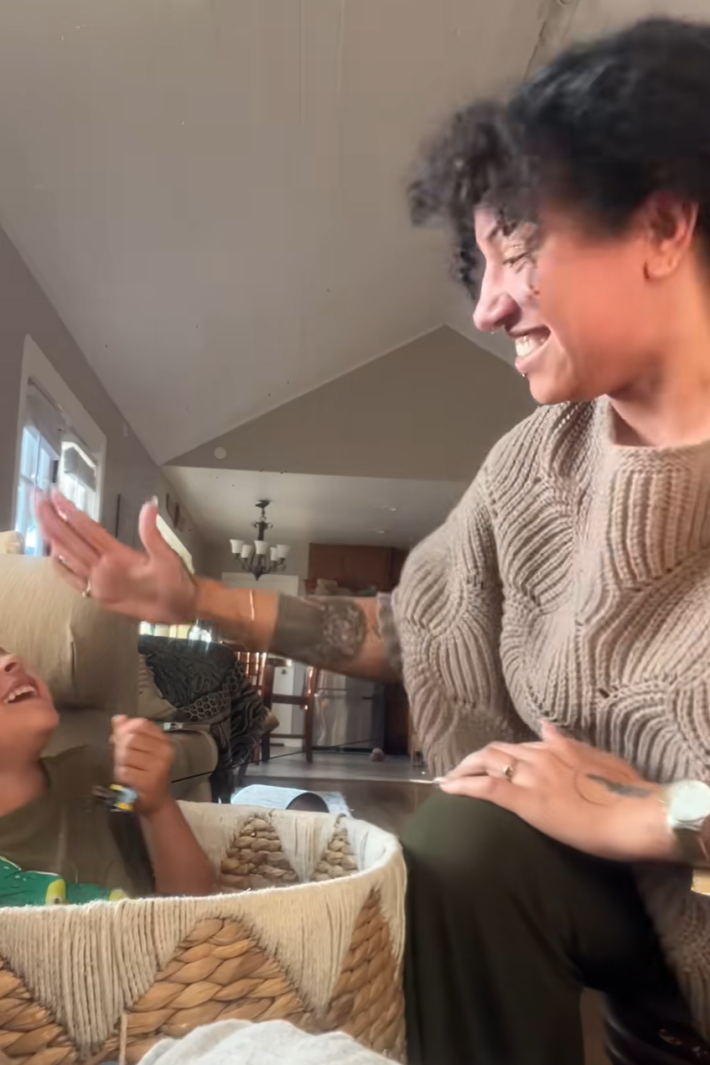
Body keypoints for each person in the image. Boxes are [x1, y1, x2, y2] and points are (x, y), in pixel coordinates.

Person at [36, 15, 710, 1063]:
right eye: (475, 266)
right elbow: (417, 627)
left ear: (664, 226)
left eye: (518, 251)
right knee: (456, 838)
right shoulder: (535, 465)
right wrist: (192, 602)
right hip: (630, 932)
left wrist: (664, 813)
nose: (486, 308)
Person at [0, 647, 214, 904]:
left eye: (3, 653)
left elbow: (198, 910)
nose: (11, 660)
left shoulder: (99, 779)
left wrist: (157, 807)